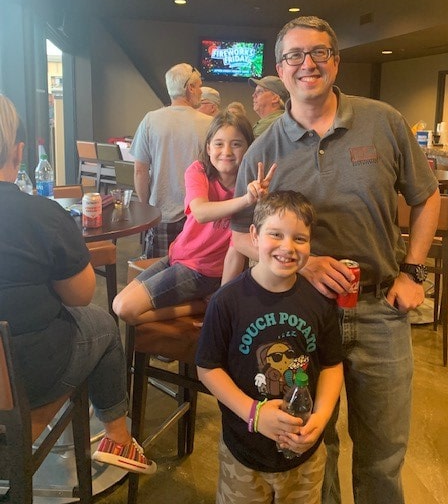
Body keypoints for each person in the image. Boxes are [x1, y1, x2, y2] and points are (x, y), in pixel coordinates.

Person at [229, 16, 441, 504]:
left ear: (336, 62)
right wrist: (303, 264)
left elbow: (427, 196)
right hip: (302, 315)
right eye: (294, 55)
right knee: (312, 447)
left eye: (319, 52)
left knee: (383, 453)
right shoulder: (264, 148)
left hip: (379, 308)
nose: (307, 64)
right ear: (281, 70)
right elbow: (241, 234)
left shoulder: (383, 121)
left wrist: (413, 271)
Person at [0, 94, 155, 475]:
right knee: (102, 323)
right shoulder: (42, 215)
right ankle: (118, 438)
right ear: (18, 152)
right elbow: (81, 294)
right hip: (27, 373)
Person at [196, 190, 344, 504]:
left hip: (304, 456)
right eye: (275, 234)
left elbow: (332, 365)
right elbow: (207, 368)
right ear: (254, 235)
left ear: (310, 243)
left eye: (299, 238)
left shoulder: (320, 302)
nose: (287, 247)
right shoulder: (227, 302)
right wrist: (255, 414)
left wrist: (322, 418)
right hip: (244, 454)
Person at [113, 111, 275, 325]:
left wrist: (220, 302)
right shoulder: (199, 170)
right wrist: (246, 200)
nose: (226, 152)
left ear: (248, 148)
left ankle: (205, 305)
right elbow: (200, 212)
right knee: (118, 303)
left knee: (126, 309)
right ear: (208, 148)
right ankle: (202, 304)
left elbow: (236, 249)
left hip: (206, 272)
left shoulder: (252, 186)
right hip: (178, 256)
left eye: (236, 144)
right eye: (218, 144)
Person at [129, 63, 211, 258]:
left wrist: (146, 208)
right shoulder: (209, 124)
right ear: (190, 88)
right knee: (192, 271)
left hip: (160, 214)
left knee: (158, 271)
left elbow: (140, 171)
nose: (201, 92)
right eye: (199, 86)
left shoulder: (150, 120)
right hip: (197, 215)